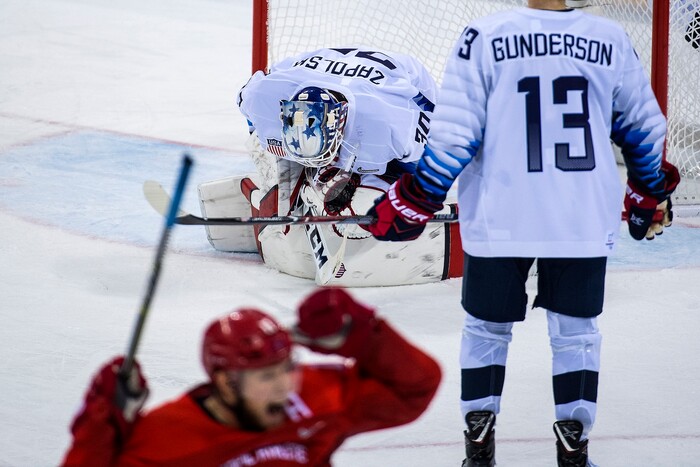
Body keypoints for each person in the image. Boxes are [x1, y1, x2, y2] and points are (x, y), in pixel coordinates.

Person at [363, 1, 680, 466]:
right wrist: (647, 195)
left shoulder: (484, 36)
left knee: (486, 330)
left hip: (500, 214)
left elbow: (454, 135)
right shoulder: (608, 38)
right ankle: (574, 450)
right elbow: (644, 128)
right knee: (576, 334)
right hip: (580, 217)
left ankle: (479, 445)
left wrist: (412, 201)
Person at [61, 287, 441, 466]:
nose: (284, 386)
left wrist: (361, 334)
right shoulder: (168, 439)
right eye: (266, 377)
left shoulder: (310, 397)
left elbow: (415, 388)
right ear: (227, 383)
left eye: (287, 369)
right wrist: (101, 426)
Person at [196, 46, 463, 287]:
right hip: (311, 71)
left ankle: (345, 178)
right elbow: (254, 122)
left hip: (399, 87)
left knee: (370, 203)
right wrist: (273, 167)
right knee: (263, 147)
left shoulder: (392, 127)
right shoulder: (263, 98)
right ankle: (314, 171)